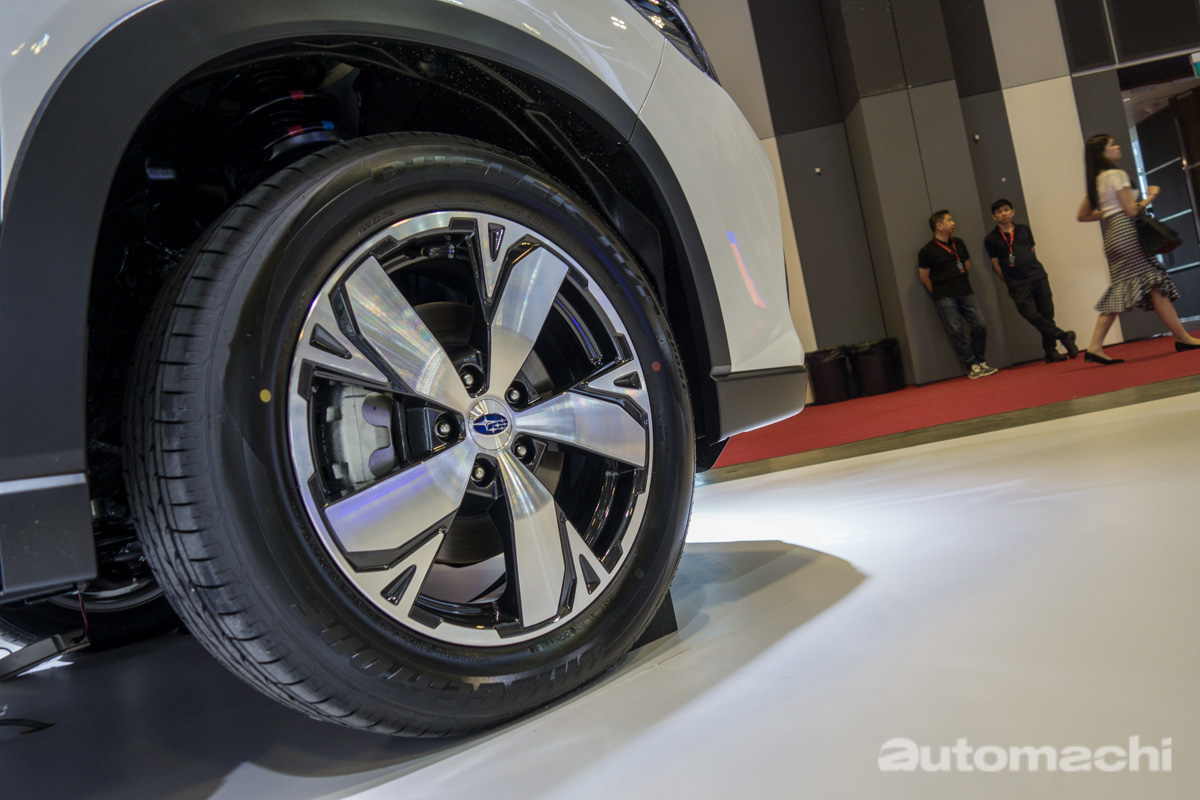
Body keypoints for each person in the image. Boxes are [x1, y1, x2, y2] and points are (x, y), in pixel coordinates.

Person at [1076, 134, 1200, 363]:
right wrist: (1151, 195)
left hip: (1113, 234)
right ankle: (1182, 337)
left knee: (1140, 287)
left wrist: (1110, 214)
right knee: (1152, 283)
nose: (1117, 146)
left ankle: (1095, 346)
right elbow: (1133, 211)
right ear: (1102, 153)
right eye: (1112, 144)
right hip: (1128, 233)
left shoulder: (1097, 181)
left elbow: (1082, 215)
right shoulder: (1116, 175)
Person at [984, 199, 1078, 363]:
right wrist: (1009, 281)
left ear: (1012, 212)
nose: (1004, 213)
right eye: (999, 211)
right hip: (1018, 284)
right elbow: (995, 265)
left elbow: (1031, 250)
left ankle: (1051, 351)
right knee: (1031, 315)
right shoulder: (991, 238)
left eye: (1006, 210)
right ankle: (1064, 336)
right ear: (994, 217)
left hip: (1037, 276)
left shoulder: (1024, 229)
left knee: (1047, 314)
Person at [918, 210, 998, 379]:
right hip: (944, 296)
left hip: (965, 291)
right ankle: (972, 365)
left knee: (980, 325)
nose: (953, 223)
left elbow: (966, 265)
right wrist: (939, 291)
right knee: (956, 330)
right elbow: (924, 277)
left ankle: (981, 361)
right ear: (939, 226)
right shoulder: (927, 251)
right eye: (949, 220)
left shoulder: (959, 243)